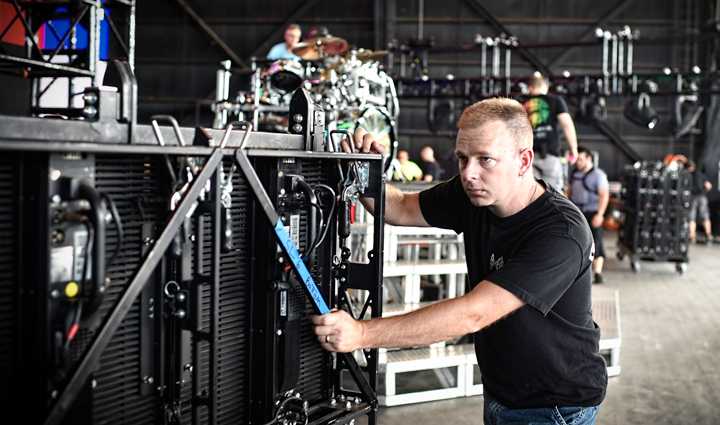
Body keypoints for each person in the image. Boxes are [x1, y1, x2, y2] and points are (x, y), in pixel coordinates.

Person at [313, 98, 607, 424]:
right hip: (503, 391)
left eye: (486, 159)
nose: (469, 173)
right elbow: (402, 208)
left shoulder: (561, 232)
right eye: (462, 159)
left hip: (555, 405)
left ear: (524, 162)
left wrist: (361, 334)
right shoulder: (473, 196)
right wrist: (364, 171)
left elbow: (473, 314)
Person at [521, 73, 578, 192]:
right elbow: (566, 124)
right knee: (554, 194)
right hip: (550, 154)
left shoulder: (521, 102)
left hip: (527, 155)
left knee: (530, 193)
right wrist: (574, 148)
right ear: (546, 87)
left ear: (530, 88)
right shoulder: (555, 100)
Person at [566, 146, 610, 284]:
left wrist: (600, 214)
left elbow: (604, 195)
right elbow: (568, 192)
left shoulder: (598, 175)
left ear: (589, 159)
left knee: (596, 242)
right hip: (577, 212)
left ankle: (598, 273)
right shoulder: (574, 174)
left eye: (580, 159)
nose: (577, 162)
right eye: (576, 160)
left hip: (593, 212)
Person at [687, 160, 713, 245]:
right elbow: (709, 185)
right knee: (705, 215)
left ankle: (692, 236)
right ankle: (709, 235)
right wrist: (704, 191)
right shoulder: (700, 174)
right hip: (702, 196)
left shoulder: (687, 174)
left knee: (692, 216)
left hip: (693, 197)